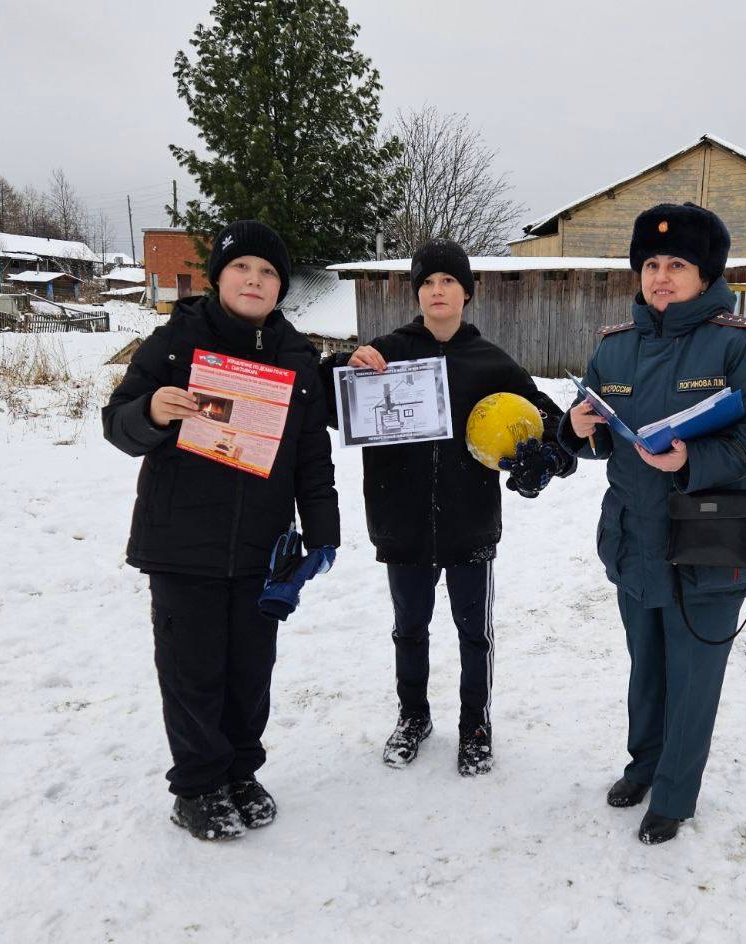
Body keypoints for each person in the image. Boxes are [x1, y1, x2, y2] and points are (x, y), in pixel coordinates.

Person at [558, 202, 746, 845]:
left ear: (706, 273)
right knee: (647, 664)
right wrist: (576, 428)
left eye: (677, 264)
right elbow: (596, 428)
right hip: (636, 536)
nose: (661, 276)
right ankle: (644, 765)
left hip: (710, 537)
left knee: (694, 671)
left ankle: (676, 794)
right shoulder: (616, 346)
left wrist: (696, 457)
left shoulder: (738, 342)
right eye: (651, 264)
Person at [103, 220, 339, 841]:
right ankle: (199, 786)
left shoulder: (294, 355)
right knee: (192, 672)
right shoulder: (177, 343)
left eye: (268, 273)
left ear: (281, 287)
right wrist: (152, 412)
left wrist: (323, 530)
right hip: (183, 542)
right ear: (220, 277)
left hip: (262, 545)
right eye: (243, 269)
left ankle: (239, 771)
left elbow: (311, 453)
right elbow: (118, 423)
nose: (254, 281)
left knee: (249, 671)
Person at [320, 238, 575, 776]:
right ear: (418, 293)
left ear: (467, 293)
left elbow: (550, 425)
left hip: (469, 524)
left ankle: (475, 724)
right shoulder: (385, 353)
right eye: (428, 283)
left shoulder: (490, 362)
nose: (438, 291)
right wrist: (342, 365)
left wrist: (550, 460)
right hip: (400, 519)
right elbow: (327, 401)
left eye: (449, 282)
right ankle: (413, 716)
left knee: (473, 633)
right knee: (409, 629)